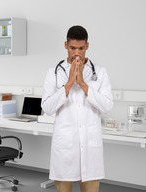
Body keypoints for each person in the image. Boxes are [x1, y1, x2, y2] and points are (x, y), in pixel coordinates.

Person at [41, 25, 113, 192]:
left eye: (81, 48)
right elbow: (47, 108)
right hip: (65, 146)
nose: (77, 53)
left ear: (87, 46)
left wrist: (82, 83)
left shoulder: (100, 73)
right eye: (72, 48)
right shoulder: (53, 73)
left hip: (90, 146)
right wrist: (68, 85)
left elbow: (107, 106)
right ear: (66, 45)